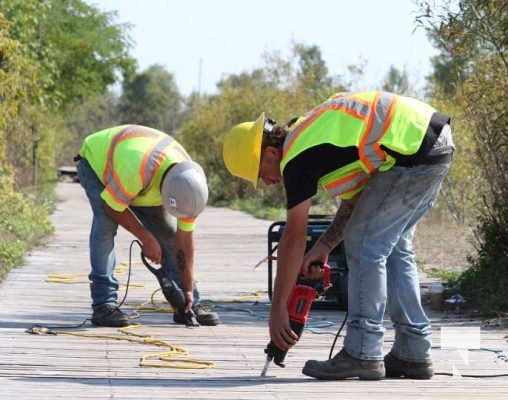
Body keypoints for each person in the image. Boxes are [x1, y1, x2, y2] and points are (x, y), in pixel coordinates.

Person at [223, 90, 454, 380]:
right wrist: (324, 245)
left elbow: (294, 236)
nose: (266, 183)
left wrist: (278, 308)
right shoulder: (313, 136)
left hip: (413, 151)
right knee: (394, 246)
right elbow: (357, 202)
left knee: (365, 243)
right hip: (431, 142)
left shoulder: (296, 155)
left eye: (260, 174)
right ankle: (413, 352)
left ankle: (362, 351)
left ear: (271, 153)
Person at [75, 124, 220, 327]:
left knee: (168, 236)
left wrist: (187, 287)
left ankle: (187, 304)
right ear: (166, 192)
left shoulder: (189, 184)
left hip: (143, 177)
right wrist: (146, 237)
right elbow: (113, 208)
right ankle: (103, 305)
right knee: (106, 227)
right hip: (97, 162)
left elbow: (184, 242)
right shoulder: (137, 169)